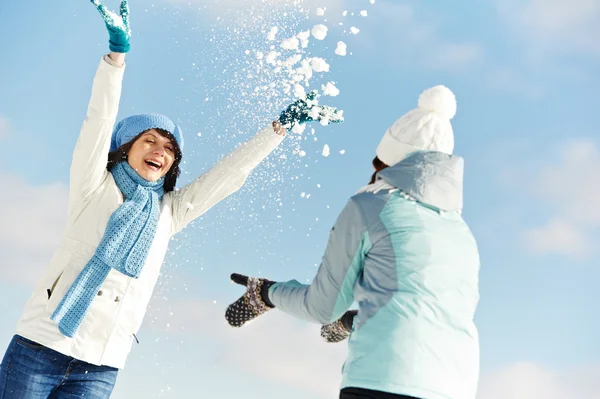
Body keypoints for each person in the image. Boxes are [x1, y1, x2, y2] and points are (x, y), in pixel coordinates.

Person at [0, 1, 342, 398]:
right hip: (40, 346)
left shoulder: (168, 212)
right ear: (126, 147)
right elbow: (98, 119)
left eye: (170, 149)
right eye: (150, 140)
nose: (160, 151)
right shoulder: (94, 186)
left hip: (100, 363)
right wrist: (117, 55)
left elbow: (228, 176)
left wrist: (280, 128)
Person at [225, 85, 481, 399]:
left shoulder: (372, 205)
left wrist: (266, 293)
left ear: (389, 160)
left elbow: (322, 307)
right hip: (457, 386)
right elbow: (425, 311)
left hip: (382, 382)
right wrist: (356, 321)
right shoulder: (461, 232)